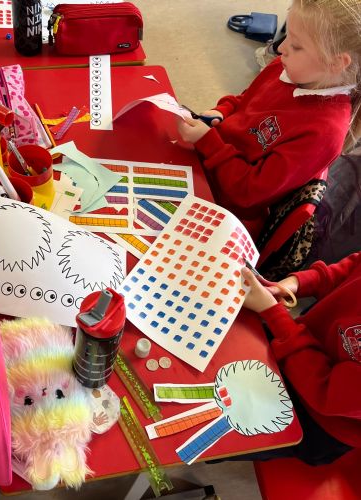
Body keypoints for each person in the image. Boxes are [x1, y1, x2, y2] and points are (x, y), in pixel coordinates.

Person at [178, 0, 361, 238]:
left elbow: (247, 195)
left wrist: (208, 143)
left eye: (296, 45)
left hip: (225, 208)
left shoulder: (323, 133)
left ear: (336, 63)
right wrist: (223, 111)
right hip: (208, 160)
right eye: (287, 37)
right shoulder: (287, 68)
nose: (281, 48)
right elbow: (245, 99)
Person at [239, 251, 361, 464]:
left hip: (318, 420)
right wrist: (292, 285)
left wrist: (273, 313)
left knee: (220, 427)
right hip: (297, 342)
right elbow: (349, 269)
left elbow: (324, 391)